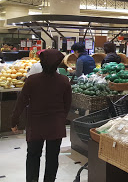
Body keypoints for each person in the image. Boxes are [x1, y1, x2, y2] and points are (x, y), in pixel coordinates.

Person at [11, 49, 72, 182]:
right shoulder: (64, 81)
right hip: (56, 124)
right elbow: (67, 104)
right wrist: (61, 118)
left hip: (36, 124)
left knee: (33, 155)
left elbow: (21, 102)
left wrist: (14, 121)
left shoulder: (32, 80)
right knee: (52, 157)